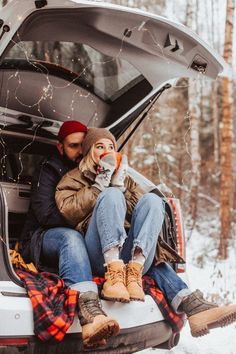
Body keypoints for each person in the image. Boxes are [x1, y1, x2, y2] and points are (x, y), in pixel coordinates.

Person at [55, 127, 236, 338]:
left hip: (132, 261)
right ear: (88, 152)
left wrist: (120, 186)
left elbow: (144, 213)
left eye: (111, 146)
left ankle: (186, 305)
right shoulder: (72, 178)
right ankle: (115, 277)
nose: (107, 150)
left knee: (153, 200)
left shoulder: (126, 178)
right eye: (100, 146)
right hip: (98, 255)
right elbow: (68, 212)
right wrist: (101, 185)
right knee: (112, 195)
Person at [20, 121, 119, 349]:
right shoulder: (49, 169)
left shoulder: (95, 169)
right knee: (70, 238)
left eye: (83, 145)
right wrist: (83, 222)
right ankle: (90, 315)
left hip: (81, 238)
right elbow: (46, 215)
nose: (79, 151)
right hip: (40, 237)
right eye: (73, 146)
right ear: (60, 147)